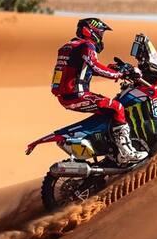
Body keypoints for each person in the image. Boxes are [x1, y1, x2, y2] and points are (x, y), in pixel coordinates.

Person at [51, 17, 147, 164]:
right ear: (91, 31)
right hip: (78, 95)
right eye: (101, 33)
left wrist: (112, 68)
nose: (101, 37)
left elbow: (83, 69)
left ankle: (111, 150)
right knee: (117, 107)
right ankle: (127, 153)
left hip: (69, 95)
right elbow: (94, 66)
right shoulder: (87, 45)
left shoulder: (70, 46)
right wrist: (119, 74)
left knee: (109, 111)